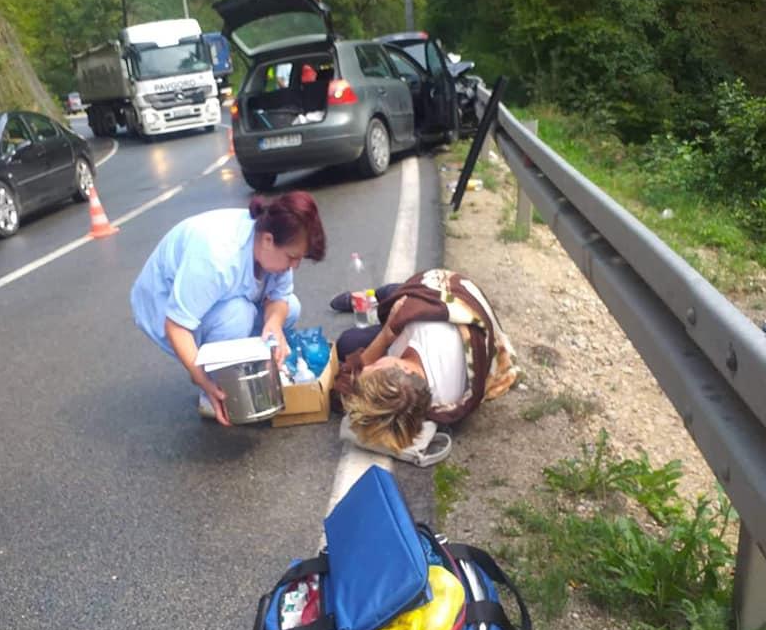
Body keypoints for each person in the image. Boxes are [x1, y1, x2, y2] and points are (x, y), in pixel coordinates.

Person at [130, 191, 326, 426]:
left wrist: (274, 324)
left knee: (291, 308)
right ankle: (217, 389)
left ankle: (244, 369)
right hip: (165, 308)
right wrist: (202, 380)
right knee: (238, 315)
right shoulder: (216, 256)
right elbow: (176, 326)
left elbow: (280, 298)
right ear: (267, 240)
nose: (295, 266)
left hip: (218, 299)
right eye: (292, 258)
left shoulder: (273, 247)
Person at [332, 269, 518, 454]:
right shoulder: (422, 329)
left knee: (347, 342)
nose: (368, 366)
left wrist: (385, 334)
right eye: (374, 367)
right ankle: (374, 296)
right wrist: (389, 329)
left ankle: (370, 301)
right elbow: (427, 295)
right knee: (394, 295)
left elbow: (345, 383)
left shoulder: (413, 398)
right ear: (401, 366)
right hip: (446, 297)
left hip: (423, 325)